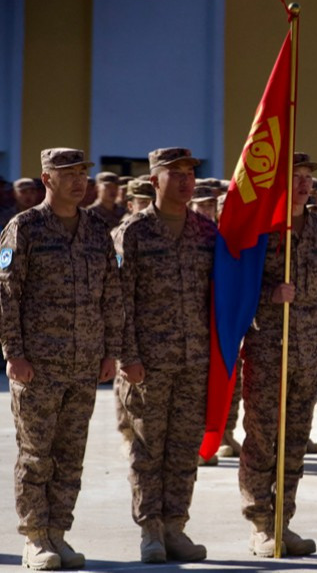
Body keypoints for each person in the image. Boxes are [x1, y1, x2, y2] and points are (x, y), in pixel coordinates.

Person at [0, 148, 122, 570]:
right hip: (38, 365)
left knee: (71, 455)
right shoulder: (25, 227)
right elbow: (6, 296)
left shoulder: (96, 230)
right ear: (46, 179)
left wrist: (110, 351)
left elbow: (111, 294)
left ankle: (59, 534)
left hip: (85, 363)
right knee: (36, 455)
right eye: (67, 174)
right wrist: (13, 353)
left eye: (82, 173)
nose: (79, 181)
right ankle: (35, 539)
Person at [115, 147, 217, 563]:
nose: (186, 180)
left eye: (190, 173)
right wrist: (128, 357)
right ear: (154, 180)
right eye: (175, 173)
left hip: (195, 360)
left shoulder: (206, 232)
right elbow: (118, 301)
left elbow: (222, 296)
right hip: (148, 362)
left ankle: (176, 527)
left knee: (182, 448)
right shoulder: (134, 232)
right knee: (147, 448)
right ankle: (151, 531)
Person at [239, 152, 317, 557]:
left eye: (307, 178)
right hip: (268, 350)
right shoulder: (263, 227)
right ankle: (261, 525)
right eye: (295, 177)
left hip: (307, 352)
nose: (304, 185)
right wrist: (270, 295)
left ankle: (283, 521)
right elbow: (236, 288)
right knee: (263, 441)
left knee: (295, 444)